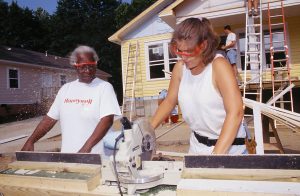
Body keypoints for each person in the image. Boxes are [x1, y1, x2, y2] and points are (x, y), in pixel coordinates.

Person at [151, 18, 246, 155]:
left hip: (228, 149)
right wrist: (146, 130)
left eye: (189, 51)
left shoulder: (218, 66)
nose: (184, 57)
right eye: (179, 51)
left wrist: (214, 158)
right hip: (197, 147)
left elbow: (235, 113)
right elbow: (170, 101)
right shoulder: (180, 68)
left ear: (204, 46)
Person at [22, 45, 121, 154]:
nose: (87, 70)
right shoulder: (65, 89)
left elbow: (107, 121)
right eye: (83, 66)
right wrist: (31, 140)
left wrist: (86, 148)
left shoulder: (104, 87)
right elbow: (49, 119)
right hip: (69, 157)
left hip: (98, 157)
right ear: (76, 66)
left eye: (91, 66)